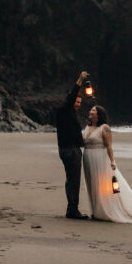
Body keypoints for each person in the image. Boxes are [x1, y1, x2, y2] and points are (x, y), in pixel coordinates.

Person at [56, 69, 90, 220]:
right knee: (74, 180)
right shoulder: (64, 110)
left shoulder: (70, 114)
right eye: (76, 101)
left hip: (71, 149)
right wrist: (80, 80)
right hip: (69, 150)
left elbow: (76, 134)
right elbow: (71, 97)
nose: (78, 104)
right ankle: (72, 209)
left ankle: (72, 207)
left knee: (71, 179)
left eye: (79, 102)